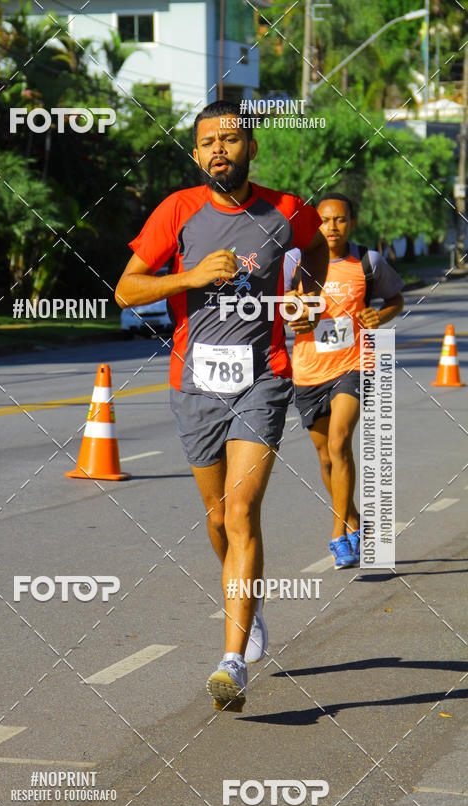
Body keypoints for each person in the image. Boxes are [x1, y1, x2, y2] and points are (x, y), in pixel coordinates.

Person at [115, 100, 328, 710]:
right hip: (194, 385)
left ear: (251, 147)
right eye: (207, 141)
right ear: (196, 153)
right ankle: (250, 605)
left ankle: (231, 662)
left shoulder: (286, 210)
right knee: (217, 520)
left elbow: (314, 253)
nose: (218, 150)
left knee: (241, 513)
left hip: (264, 379)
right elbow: (126, 290)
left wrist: (307, 295)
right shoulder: (177, 210)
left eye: (230, 139)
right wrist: (189, 278)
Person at [284, 192, 404, 568]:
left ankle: (339, 534)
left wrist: (379, 317)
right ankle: (353, 518)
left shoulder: (368, 261)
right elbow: (283, 304)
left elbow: (395, 298)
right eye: (323, 220)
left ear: (351, 222)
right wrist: (295, 315)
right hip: (308, 370)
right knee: (325, 458)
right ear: (313, 224)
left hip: (355, 365)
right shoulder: (295, 263)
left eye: (339, 220)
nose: (331, 227)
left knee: (339, 442)